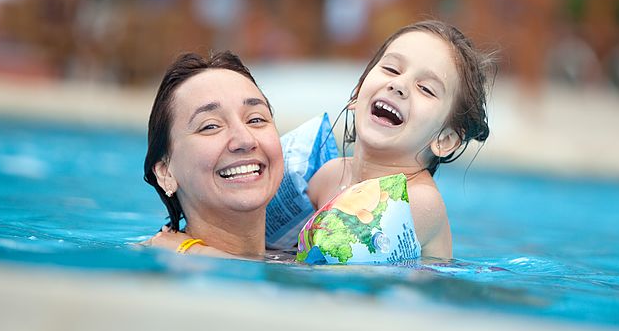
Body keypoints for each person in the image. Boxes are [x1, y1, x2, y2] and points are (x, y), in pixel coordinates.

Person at [306, 19, 496, 260]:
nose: (398, 85)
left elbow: (333, 268)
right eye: (392, 69)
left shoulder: (417, 201)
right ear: (357, 92)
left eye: (426, 89)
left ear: (444, 140)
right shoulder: (329, 176)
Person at [143, 51, 285, 259]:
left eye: (255, 119)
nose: (245, 140)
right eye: (210, 126)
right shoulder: (150, 270)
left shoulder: (302, 256)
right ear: (166, 173)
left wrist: (201, 253)